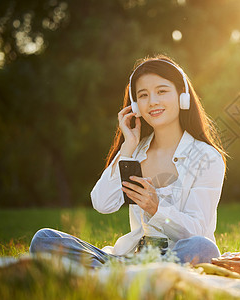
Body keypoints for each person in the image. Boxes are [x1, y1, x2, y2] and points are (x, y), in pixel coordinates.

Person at [29, 54, 227, 268]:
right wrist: (127, 148)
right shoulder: (135, 151)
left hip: (176, 258)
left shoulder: (208, 157)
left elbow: (196, 230)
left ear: (182, 96)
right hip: (130, 259)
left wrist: (157, 208)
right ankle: (128, 278)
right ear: (135, 105)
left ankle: (115, 279)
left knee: (203, 248)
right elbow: (102, 204)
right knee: (44, 239)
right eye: (143, 95)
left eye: (162, 91)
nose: (153, 102)